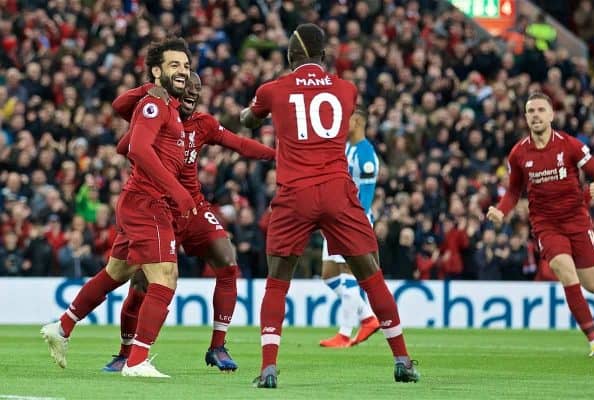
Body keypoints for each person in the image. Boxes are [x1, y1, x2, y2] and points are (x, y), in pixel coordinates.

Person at [240, 23, 419, 388]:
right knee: (371, 276)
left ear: (290, 57)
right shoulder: (347, 90)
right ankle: (402, 359)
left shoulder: (272, 90)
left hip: (294, 194)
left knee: (277, 283)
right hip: (338, 191)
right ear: (324, 57)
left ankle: (269, 368)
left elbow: (250, 118)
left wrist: (248, 114)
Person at [41, 37, 196, 378]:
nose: (183, 71)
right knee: (165, 277)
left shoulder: (165, 106)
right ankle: (137, 360)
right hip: (147, 202)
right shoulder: (155, 104)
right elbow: (138, 150)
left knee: (116, 273)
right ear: (157, 71)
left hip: (140, 201)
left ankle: (62, 326)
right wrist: (178, 192)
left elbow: (124, 144)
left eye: (185, 65)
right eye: (174, 65)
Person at [100, 71, 275, 373]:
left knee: (228, 262)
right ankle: (125, 352)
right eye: (187, 88)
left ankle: (217, 346)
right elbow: (123, 146)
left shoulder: (203, 124)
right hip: (157, 208)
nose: (193, 93)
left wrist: (278, 156)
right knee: (141, 284)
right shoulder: (159, 118)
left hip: (192, 206)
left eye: (197, 89)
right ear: (176, 92)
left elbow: (240, 144)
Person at [487, 92, 594, 357]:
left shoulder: (569, 145)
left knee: (593, 285)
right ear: (526, 118)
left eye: (540, 110)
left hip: (577, 218)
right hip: (546, 224)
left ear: (551, 115)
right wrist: (501, 211)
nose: (535, 115)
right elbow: (514, 191)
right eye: (530, 111)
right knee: (565, 272)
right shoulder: (518, 153)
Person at [319, 108, 379, 348]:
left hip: (352, 222)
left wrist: (353, 224)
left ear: (355, 122)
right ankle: (367, 318)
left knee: (348, 273)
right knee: (329, 275)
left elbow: (365, 197)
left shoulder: (365, 155)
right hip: (335, 219)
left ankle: (344, 334)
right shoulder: (346, 148)